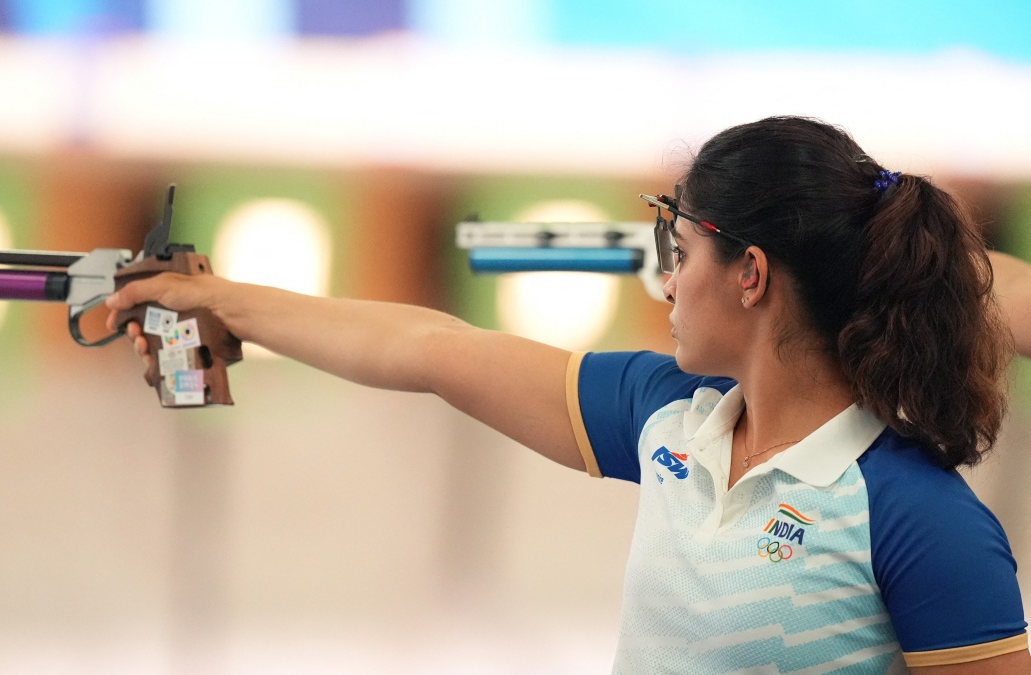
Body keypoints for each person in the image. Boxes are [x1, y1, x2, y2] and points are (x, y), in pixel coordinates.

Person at [107, 116, 1031, 673]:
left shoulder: (917, 519)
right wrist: (223, 301)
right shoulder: (668, 413)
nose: (666, 283)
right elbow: (432, 348)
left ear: (750, 273)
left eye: (682, 253)